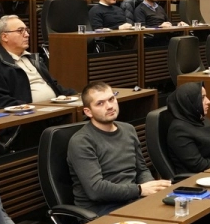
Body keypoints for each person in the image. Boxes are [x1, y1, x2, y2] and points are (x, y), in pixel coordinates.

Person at [66, 81, 169, 215]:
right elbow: (96, 190)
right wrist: (140, 190)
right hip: (102, 210)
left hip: (133, 199)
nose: (109, 106)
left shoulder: (128, 129)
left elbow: (141, 170)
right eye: (100, 103)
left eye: (111, 99)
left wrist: (152, 189)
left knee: (180, 209)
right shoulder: (81, 141)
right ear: (88, 112)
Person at [0, 14, 74, 109]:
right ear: (5, 37)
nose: (27, 35)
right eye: (20, 31)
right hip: (29, 115)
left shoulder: (34, 59)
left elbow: (54, 86)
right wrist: (29, 107)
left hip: (56, 107)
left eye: (26, 30)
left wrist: (76, 96)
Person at [165, 82, 210, 174]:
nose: (208, 101)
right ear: (189, 102)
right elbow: (198, 164)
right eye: (202, 98)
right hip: (199, 177)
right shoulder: (178, 130)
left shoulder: (201, 118)